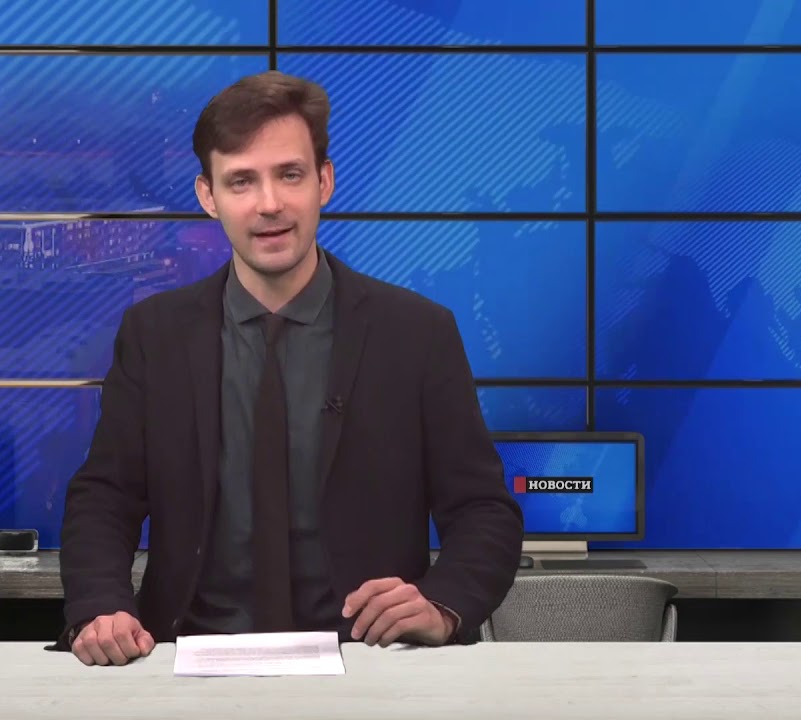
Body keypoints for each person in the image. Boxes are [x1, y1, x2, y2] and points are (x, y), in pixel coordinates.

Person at [54, 70, 524, 666]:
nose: (269, 203)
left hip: (368, 660)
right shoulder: (155, 335)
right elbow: (105, 496)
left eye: (290, 174)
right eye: (241, 181)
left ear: (324, 181)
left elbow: (483, 508)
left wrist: (442, 604)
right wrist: (102, 605)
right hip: (189, 658)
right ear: (208, 196)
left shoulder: (417, 333)